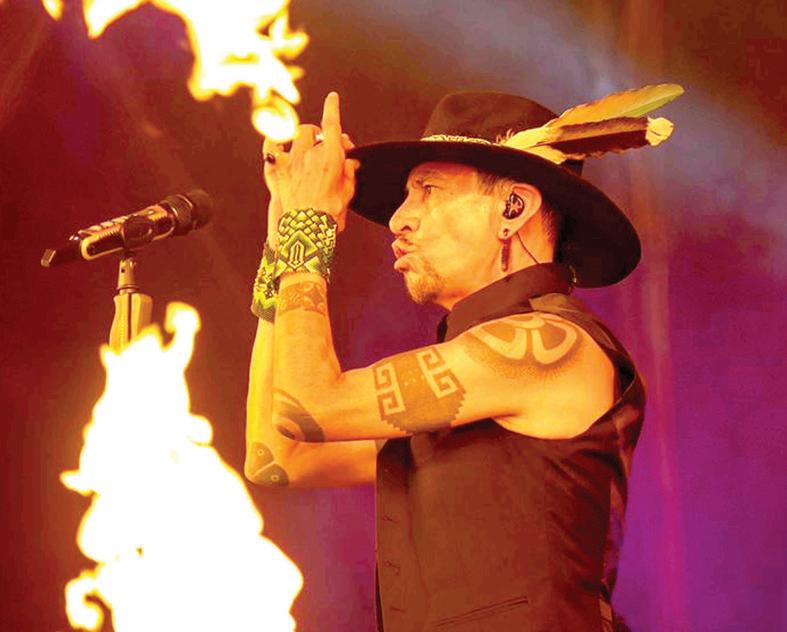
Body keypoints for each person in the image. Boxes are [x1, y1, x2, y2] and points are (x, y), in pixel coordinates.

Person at [245, 88, 677, 631]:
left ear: (512, 208)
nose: (399, 219)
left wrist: (308, 227)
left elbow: (308, 405)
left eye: (428, 191)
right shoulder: (467, 382)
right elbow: (278, 454)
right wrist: (280, 246)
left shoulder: (551, 343)